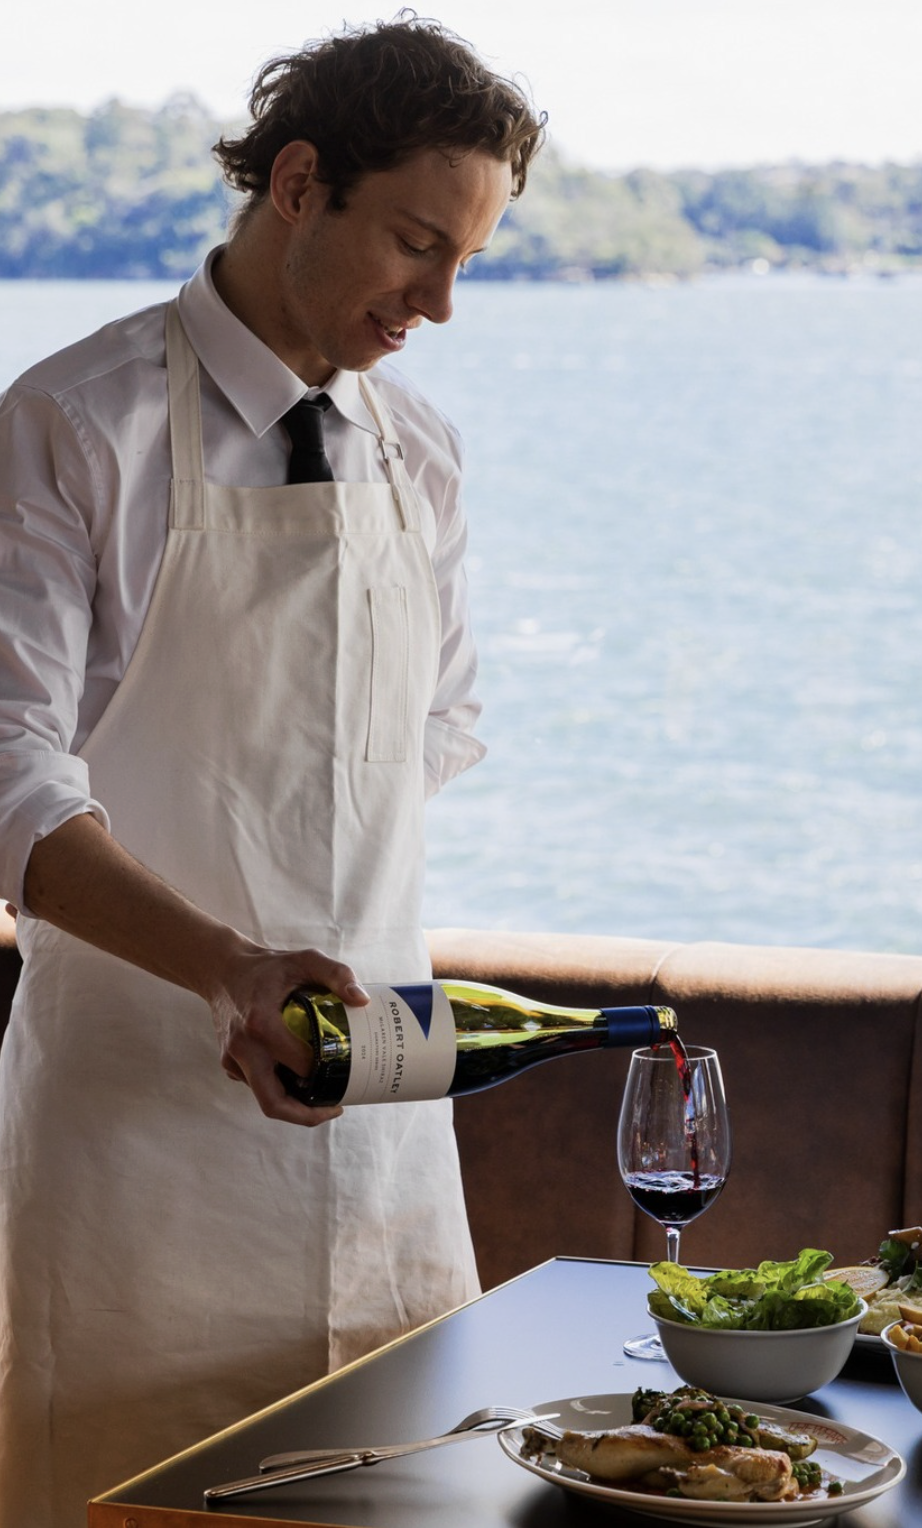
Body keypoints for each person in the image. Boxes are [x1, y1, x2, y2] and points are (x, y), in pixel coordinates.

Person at [0, 18, 544, 1522]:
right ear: (298, 183)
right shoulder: (69, 426)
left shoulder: (415, 454)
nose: (436, 302)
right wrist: (231, 964)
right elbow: (1, 770)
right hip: (132, 1161)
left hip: (379, 1136)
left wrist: (314, 940)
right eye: (413, 245)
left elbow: (434, 731)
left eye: (466, 264)